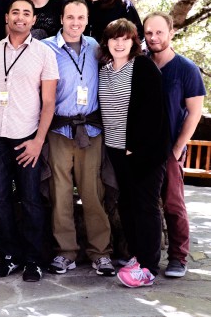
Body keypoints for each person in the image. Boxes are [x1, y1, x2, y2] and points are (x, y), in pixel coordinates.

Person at [0, 0, 59, 282]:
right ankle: (8, 256)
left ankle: (33, 259)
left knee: (30, 200)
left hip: (27, 136)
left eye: (26, 13)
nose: (20, 17)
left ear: (33, 20)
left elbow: (49, 102)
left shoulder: (44, 53)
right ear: (7, 17)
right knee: (1, 199)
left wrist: (39, 141)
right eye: (15, 11)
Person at [43, 0, 115, 277]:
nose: (75, 23)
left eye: (80, 18)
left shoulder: (97, 47)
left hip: (91, 131)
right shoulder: (46, 48)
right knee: (60, 193)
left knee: (93, 192)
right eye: (70, 17)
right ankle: (66, 253)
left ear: (86, 21)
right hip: (59, 130)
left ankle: (101, 253)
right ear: (61, 18)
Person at [97, 18, 168, 288]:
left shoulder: (143, 67)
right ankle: (137, 257)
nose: (119, 42)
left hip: (143, 152)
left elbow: (153, 113)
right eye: (114, 38)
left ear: (133, 42)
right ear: (107, 41)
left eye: (125, 38)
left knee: (145, 206)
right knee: (126, 204)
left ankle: (148, 268)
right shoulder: (104, 71)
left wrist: (135, 147)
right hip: (115, 150)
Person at [145, 12, 206, 278]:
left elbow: (194, 113)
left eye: (159, 32)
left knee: (173, 204)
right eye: (148, 33)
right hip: (142, 149)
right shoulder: (140, 64)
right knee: (143, 204)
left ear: (171, 32)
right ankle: (143, 255)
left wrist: (179, 147)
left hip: (170, 148)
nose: (154, 38)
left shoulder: (186, 69)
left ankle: (178, 258)